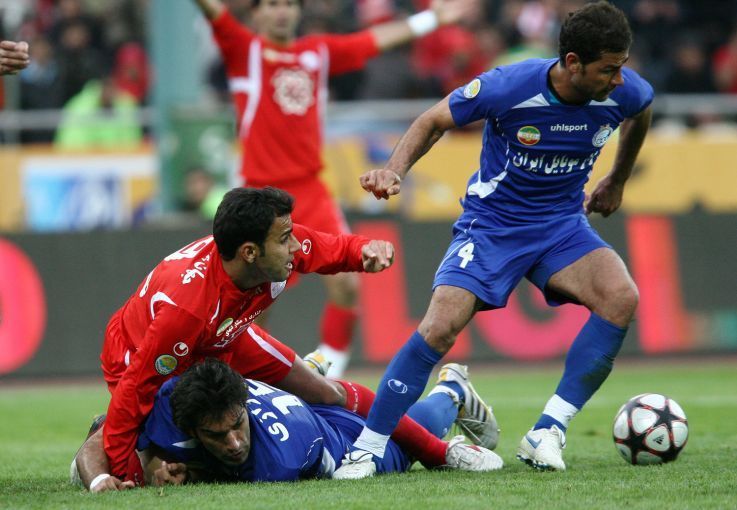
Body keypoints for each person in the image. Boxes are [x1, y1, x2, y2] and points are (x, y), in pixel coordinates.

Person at [333, 1, 653, 478]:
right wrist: (394, 170)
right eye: (608, 69)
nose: (618, 79)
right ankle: (368, 448)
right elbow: (433, 120)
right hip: (493, 226)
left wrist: (618, 179)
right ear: (572, 63)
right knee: (440, 327)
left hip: (562, 226)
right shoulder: (509, 86)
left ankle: (549, 430)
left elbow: (641, 112)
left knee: (620, 298)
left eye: (621, 66)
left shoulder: (625, 92)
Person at [192, 0, 477, 377]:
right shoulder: (246, 50)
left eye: (289, 4)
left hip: (310, 189)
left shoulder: (317, 53)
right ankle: (247, 378)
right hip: (260, 195)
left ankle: (328, 372)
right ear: (255, 13)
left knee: (347, 284)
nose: (282, 12)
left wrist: (431, 19)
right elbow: (214, 11)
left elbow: (370, 41)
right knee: (254, 300)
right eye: (273, 5)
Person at [99, 186, 396, 485]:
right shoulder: (187, 310)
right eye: (286, 238)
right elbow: (135, 388)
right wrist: (125, 476)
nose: (296, 245)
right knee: (171, 443)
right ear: (250, 253)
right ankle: (95, 457)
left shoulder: (272, 247)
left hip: (224, 334)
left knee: (326, 392)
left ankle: (426, 446)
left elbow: (327, 248)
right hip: (141, 353)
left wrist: (364, 249)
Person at [72, 359, 503, 490]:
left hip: (343, 444)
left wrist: (162, 467)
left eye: (237, 426)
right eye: (217, 435)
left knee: (411, 436)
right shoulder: (173, 398)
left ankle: (452, 390)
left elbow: (217, 475)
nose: (235, 442)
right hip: (300, 405)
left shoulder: (278, 462)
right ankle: (308, 367)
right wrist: (101, 480)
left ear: (243, 404)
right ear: (190, 427)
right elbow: (100, 436)